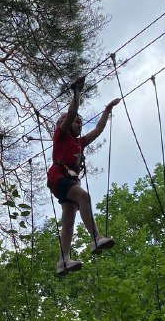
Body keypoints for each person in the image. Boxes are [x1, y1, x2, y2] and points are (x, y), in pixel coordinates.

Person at [47, 78, 120, 275]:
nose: (79, 125)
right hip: (58, 175)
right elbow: (71, 113)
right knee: (83, 196)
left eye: (80, 122)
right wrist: (77, 93)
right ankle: (95, 237)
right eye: (77, 122)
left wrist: (107, 110)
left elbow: (99, 129)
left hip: (69, 179)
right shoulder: (61, 136)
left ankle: (63, 260)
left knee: (69, 217)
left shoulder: (80, 142)